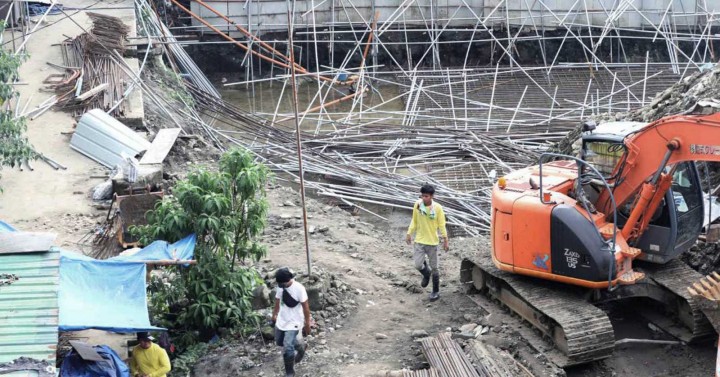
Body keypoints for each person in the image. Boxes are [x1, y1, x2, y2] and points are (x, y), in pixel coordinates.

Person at [406, 184, 449, 301]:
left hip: (432, 242)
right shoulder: (418, 205)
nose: (424, 198)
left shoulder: (438, 208)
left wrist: (445, 239)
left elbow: (441, 225)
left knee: (435, 267)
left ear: (432, 196)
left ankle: (435, 291)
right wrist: (409, 233)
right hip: (419, 240)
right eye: (422, 196)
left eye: (426, 196)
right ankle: (426, 273)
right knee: (418, 264)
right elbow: (414, 221)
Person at [272, 267, 311, 377]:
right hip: (282, 319)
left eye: (281, 283)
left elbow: (306, 308)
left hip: (294, 321)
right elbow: (277, 301)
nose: (279, 285)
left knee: (288, 347)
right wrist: (274, 315)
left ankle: (290, 372)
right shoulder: (281, 287)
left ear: (287, 280)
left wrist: (307, 324)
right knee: (279, 342)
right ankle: (301, 346)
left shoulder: (299, 289)